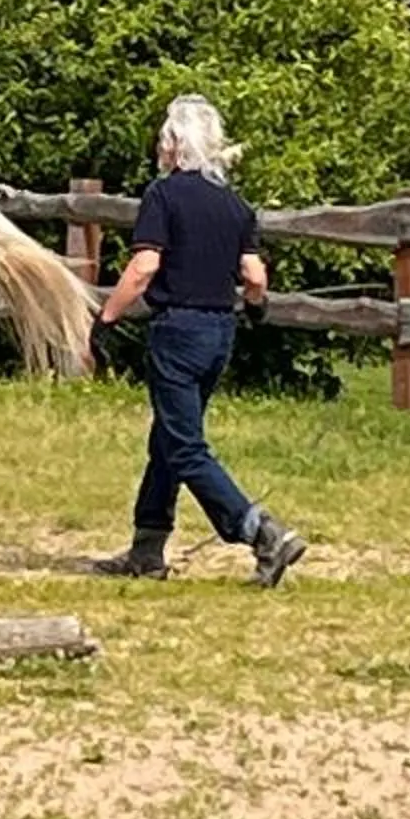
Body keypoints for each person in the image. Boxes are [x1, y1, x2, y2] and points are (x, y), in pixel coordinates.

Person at [88, 94, 309, 586]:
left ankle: (261, 531)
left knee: (185, 447)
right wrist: (255, 307)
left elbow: (145, 267)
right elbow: (254, 276)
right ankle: (147, 550)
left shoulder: (162, 196)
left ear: (173, 144)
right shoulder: (235, 206)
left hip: (178, 333)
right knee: (167, 440)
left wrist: (106, 319)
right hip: (219, 334)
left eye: (162, 138)